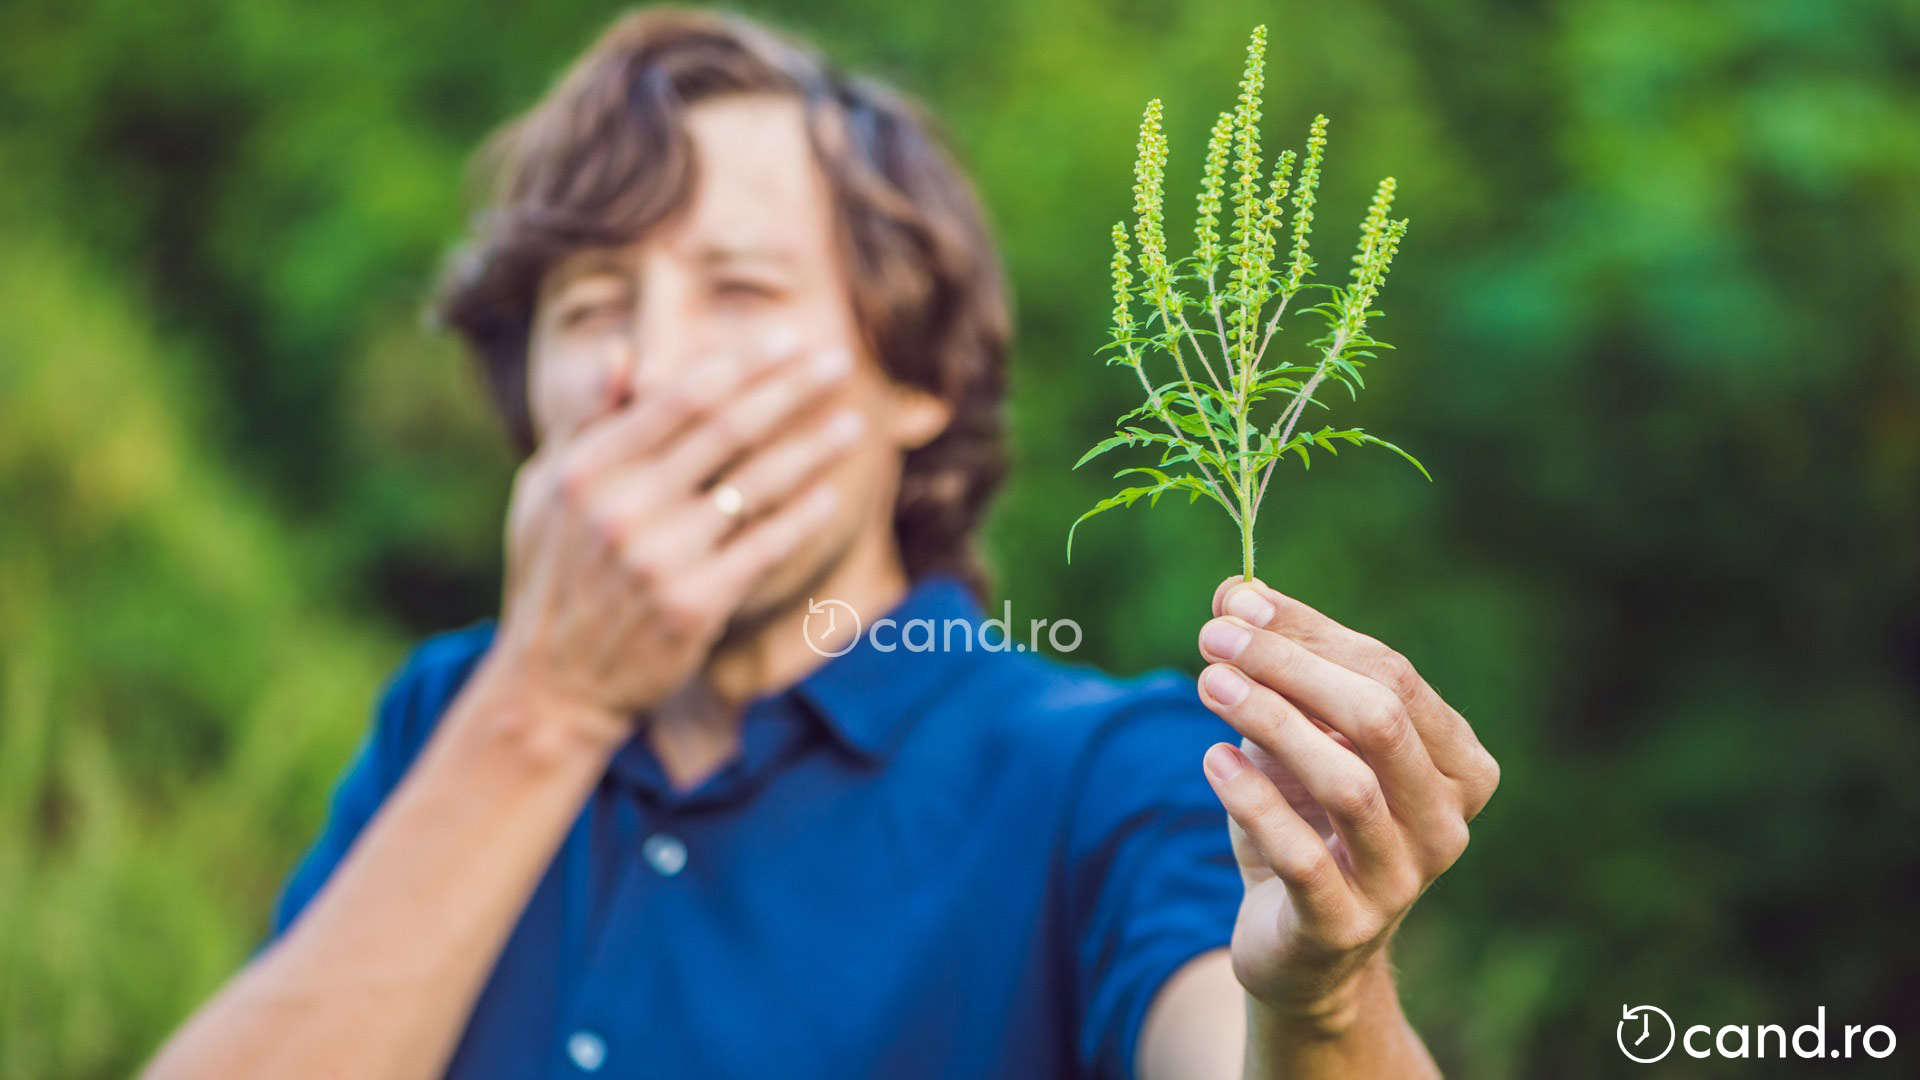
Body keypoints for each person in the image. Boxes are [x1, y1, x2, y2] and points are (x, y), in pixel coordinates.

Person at [141, 8, 1498, 1079]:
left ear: (911, 378)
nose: (654, 368)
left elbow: (1229, 1033)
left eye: (740, 289)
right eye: (590, 307)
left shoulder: (1099, 777)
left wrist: (1321, 1000)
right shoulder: (446, 722)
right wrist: (545, 705)